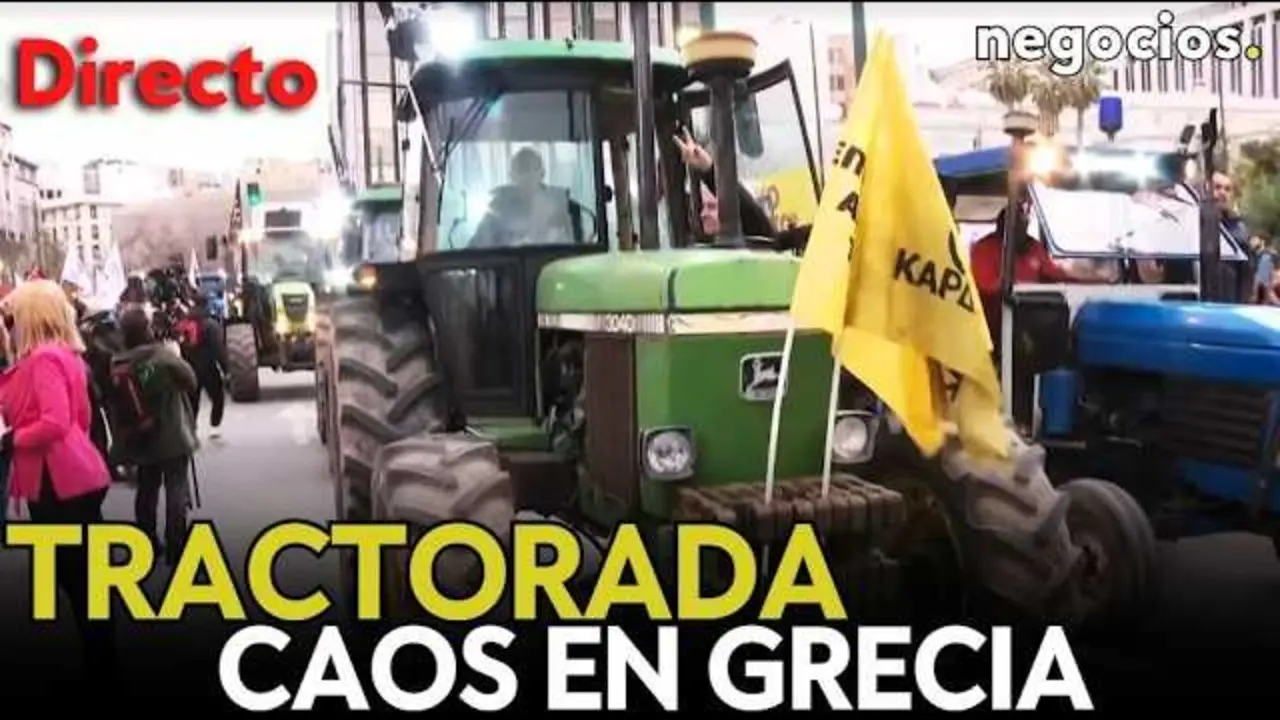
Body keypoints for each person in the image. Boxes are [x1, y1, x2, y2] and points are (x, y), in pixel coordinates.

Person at [0, 279, 116, 679]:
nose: (8, 324)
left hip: (58, 480)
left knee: (77, 575)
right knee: (82, 573)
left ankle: (101, 658)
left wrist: (12, 438)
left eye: (12, 316)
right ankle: (101, 652)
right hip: (72, 474)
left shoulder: (44, 359)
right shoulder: (63, 355)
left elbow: (55, 421)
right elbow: (80, 417)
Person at [110, 308, 198, 565]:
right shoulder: (162, 355)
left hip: (140, 436)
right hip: (171, 435)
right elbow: (191, 380)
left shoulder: (118, 362)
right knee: (176, 488)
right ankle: (176, 545)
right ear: (147, 328)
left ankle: (147, 542)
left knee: (146, 490)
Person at [970, 204, 1104, 342]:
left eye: (1024, 224)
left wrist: (1095, 279)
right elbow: (986, 286)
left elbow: (1054, 273)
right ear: (1003, 226)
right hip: (994, 322)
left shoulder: (1033, 246)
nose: (1022, 230)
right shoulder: (984, 248)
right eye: (1017, 224)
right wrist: (1017, 286)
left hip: (1030, 318)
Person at [672, 129, 776, 241]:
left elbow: (753, 216)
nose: (703, 214)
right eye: (703, 207)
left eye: (711, 207)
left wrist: (708, 169)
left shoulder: (756, 243)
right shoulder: (696, 245)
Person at [470, 147, 582, 248]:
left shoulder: (565, 208)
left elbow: (577, 252)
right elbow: (474, 251)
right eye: (521, 169)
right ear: (512, 176)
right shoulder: (496, 211)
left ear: (542, 173)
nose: (526, 175)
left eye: (531, 168)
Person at [176, 296, 229, 438]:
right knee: (217, 397)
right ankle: (215, 422)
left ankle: (191, 428)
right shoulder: (211, 325)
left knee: (192, 401)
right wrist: (226, 369)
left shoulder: (183, 324)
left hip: (188, 367)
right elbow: (218, 349)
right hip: (208, 367)